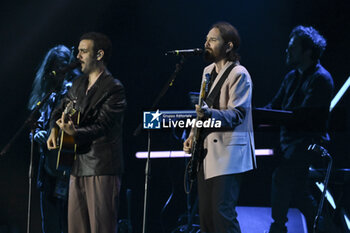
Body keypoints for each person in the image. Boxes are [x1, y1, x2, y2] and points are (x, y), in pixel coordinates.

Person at [47, 32, 126, 233]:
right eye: (78, 51)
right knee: (76, 227)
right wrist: (54, 130)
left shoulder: (114, 88)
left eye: (83, 51)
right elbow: (60, 107)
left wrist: (75, 132)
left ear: (99, 55)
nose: (78, 56)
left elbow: (103, 126)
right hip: (76, 164)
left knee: (101, 227)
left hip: (101, 166)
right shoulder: (77, 84)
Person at [183, 22, 256, 233]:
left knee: (222, 213)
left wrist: (208, 114)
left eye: (213, 40)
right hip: (206, 153)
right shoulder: (207, 71)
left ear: (229, 45)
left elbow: (237, 114)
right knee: (205, 216)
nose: (206, 43)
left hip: (229, 153)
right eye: (206, 39)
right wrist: (192, 136)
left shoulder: (239, 74)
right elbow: (202, 110)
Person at [265, 26, 334, 233]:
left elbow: (304, 118)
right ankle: (322, 228)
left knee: (284, 178)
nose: (287, 51)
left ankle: (278, 228)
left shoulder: (321, 79)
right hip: (291, 146)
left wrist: (268, 117)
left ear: (307, 51)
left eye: (292, 47)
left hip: (310, 145)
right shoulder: (291, 77)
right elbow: (274, 107)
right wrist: (249, 114)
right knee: (299, 193)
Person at [28, 45, 79, 233]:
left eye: (62, 66)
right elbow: (36, 126)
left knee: (69, 225)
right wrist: (37, 134)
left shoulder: (76, 91)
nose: (58, 73)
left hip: (70, 170)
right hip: (48, 171)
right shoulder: (47, 96)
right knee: (49, 225)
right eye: (54, 68)